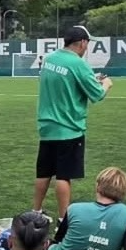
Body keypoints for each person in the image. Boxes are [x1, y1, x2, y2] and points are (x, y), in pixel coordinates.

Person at [34, 25, 111, 220]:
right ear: (83, 42)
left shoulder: (50, 59)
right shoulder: (78, 63)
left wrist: (90, 79)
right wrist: (106, 84)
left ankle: (35, 212)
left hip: (47, 126)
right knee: (63, 176)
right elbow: (97, 94)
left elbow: (64, 82)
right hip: (68, 128)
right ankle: (63, 219)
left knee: (44, 172)